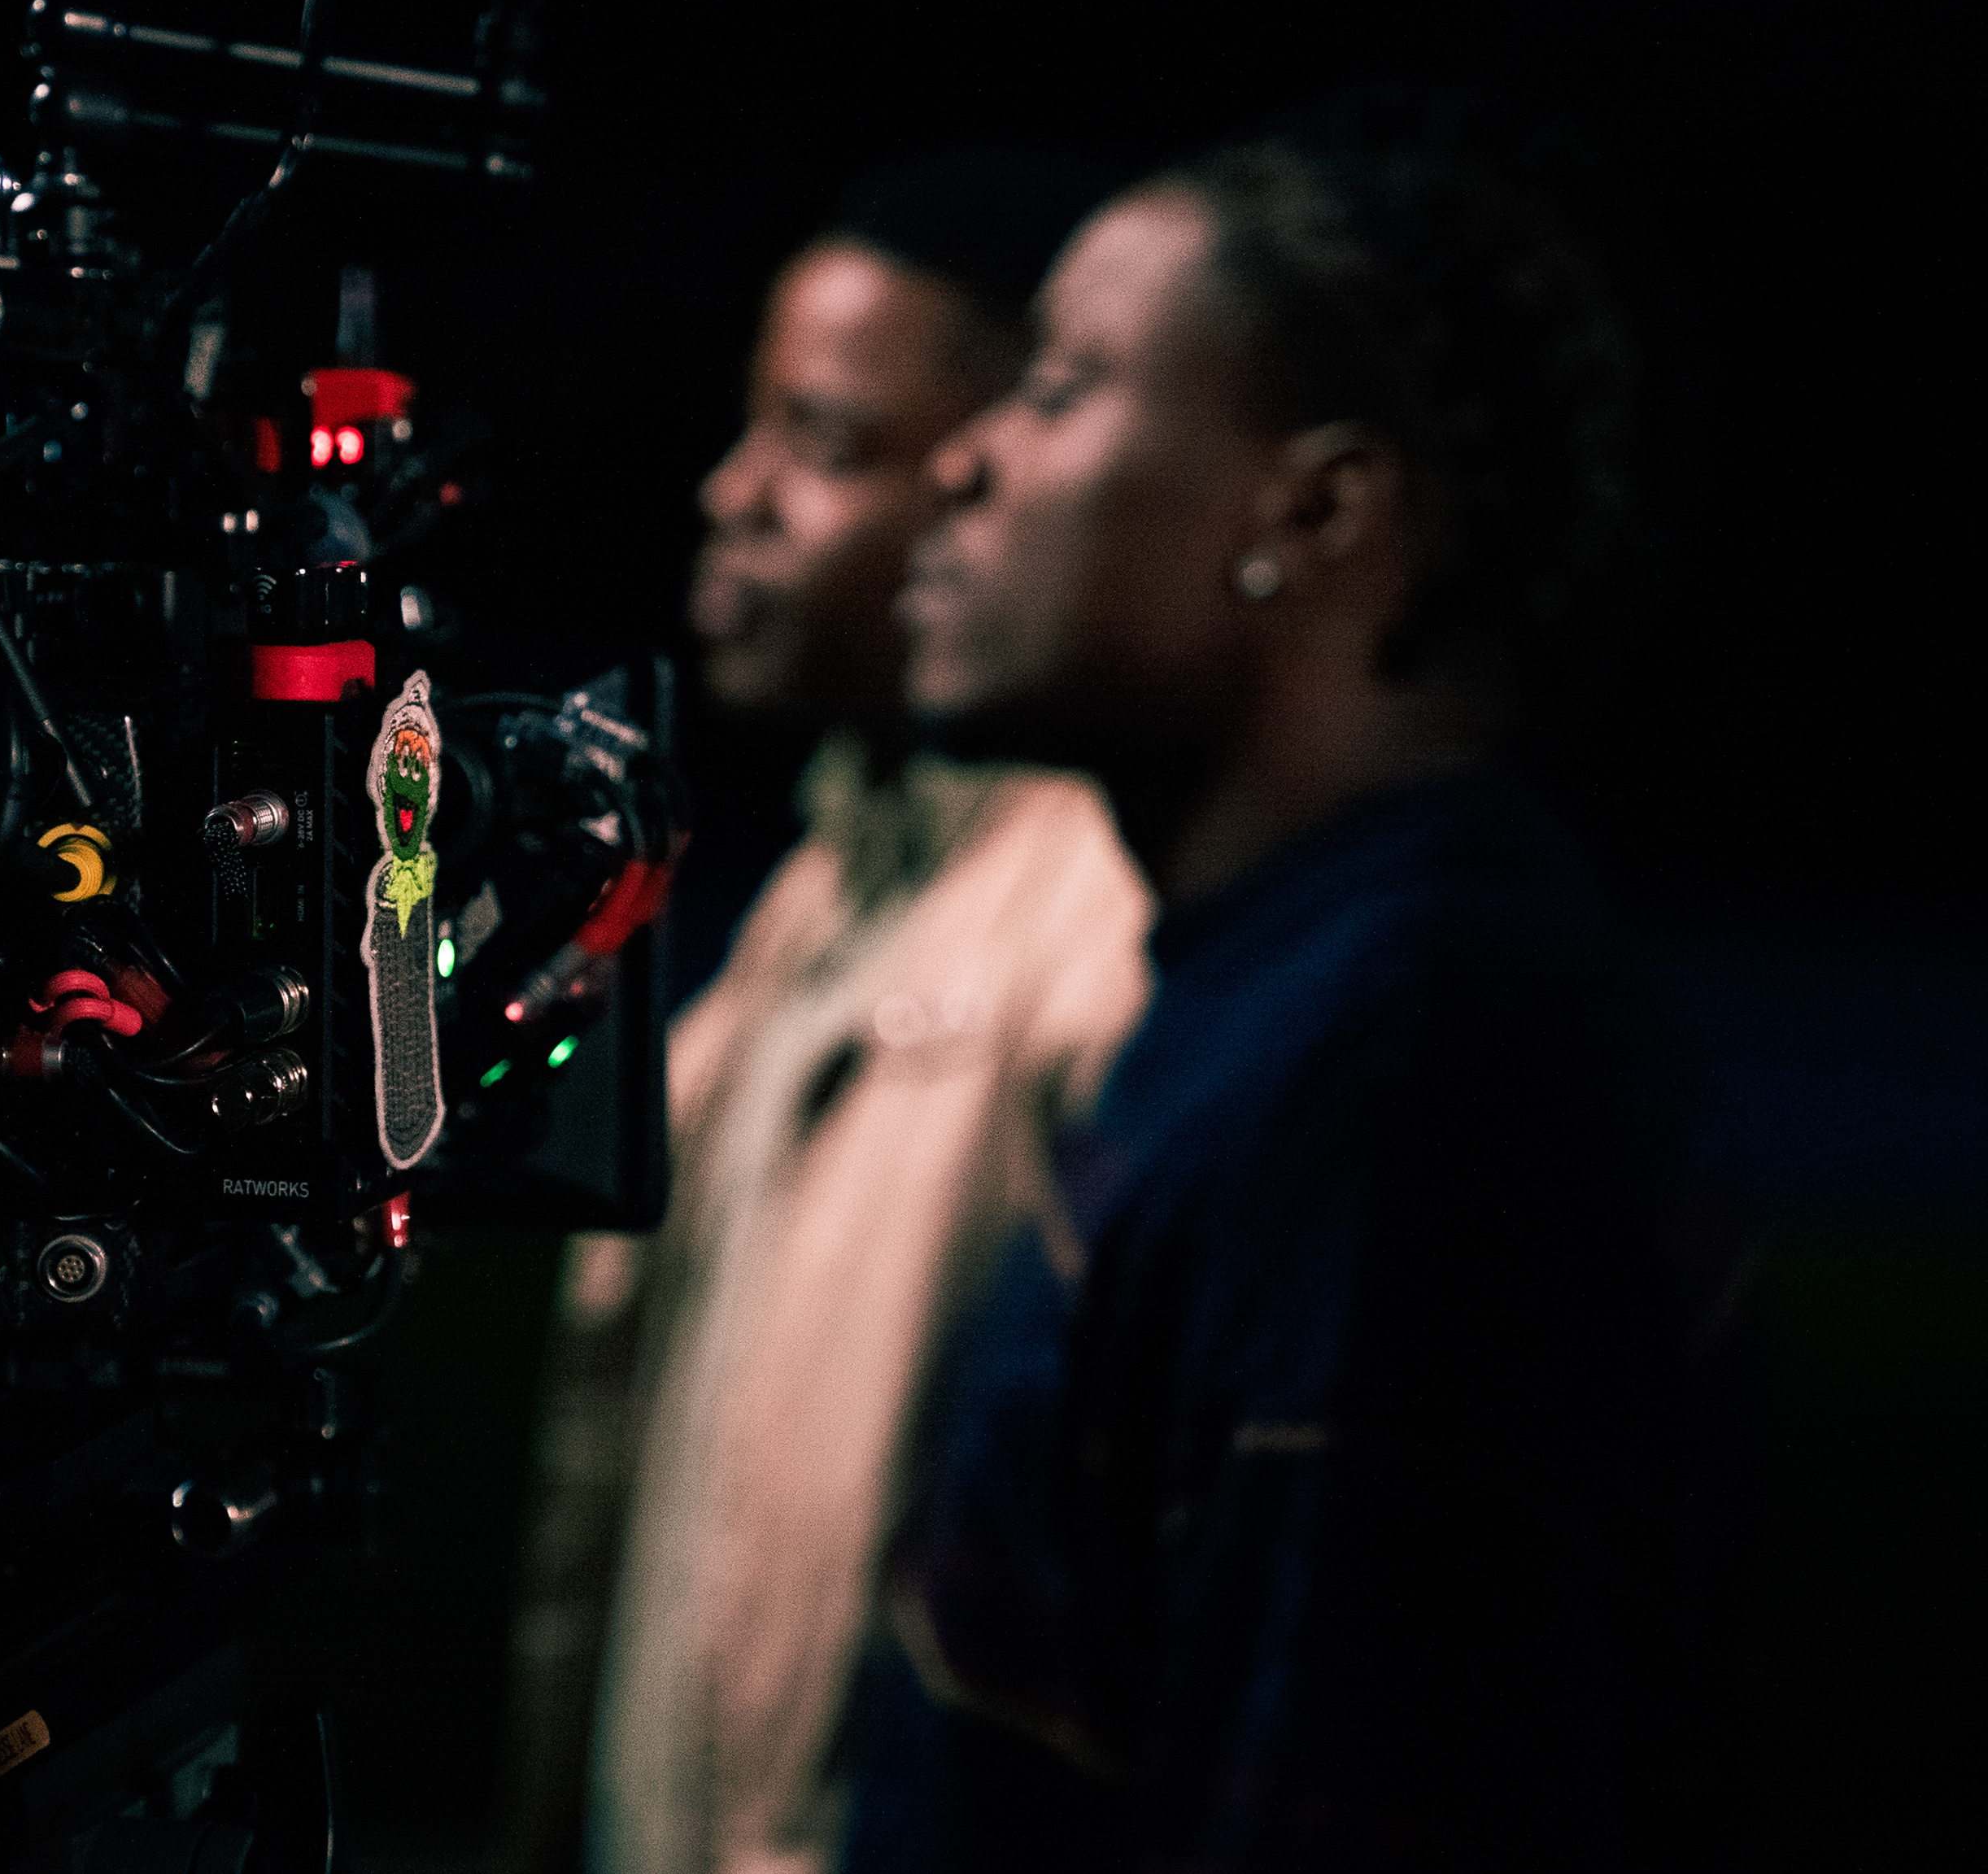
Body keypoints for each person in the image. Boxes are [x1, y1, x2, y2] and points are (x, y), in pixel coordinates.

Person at [855, 129, 1742, 1867]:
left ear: (1318, 513)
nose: (963, 459)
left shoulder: (1406, 1091)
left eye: (1061, 386)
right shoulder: (1288, 1000)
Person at [501, 150, 1153, 1874]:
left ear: (1003, 476)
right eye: (755, 428)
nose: (734, 492)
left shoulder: (1106, 942)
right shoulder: (820, 895)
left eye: (826, 440)